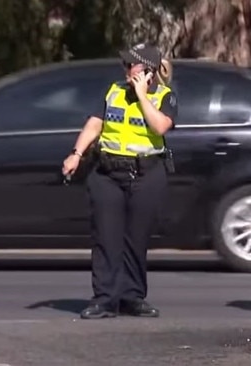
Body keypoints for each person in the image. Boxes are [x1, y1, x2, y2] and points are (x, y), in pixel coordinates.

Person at [61, 43, 178, 319]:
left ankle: (132, 297)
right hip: (107, 174)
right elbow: (94, 123)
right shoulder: (113, 91)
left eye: (131, 65)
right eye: (125, 64)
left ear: (147, 70)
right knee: (106, 237)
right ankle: (104, 299)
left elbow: (160, 126)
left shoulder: (165, 96)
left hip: (146, 174)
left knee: (136, 239)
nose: (126, 69)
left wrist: (141, 95)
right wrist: (76, 154)